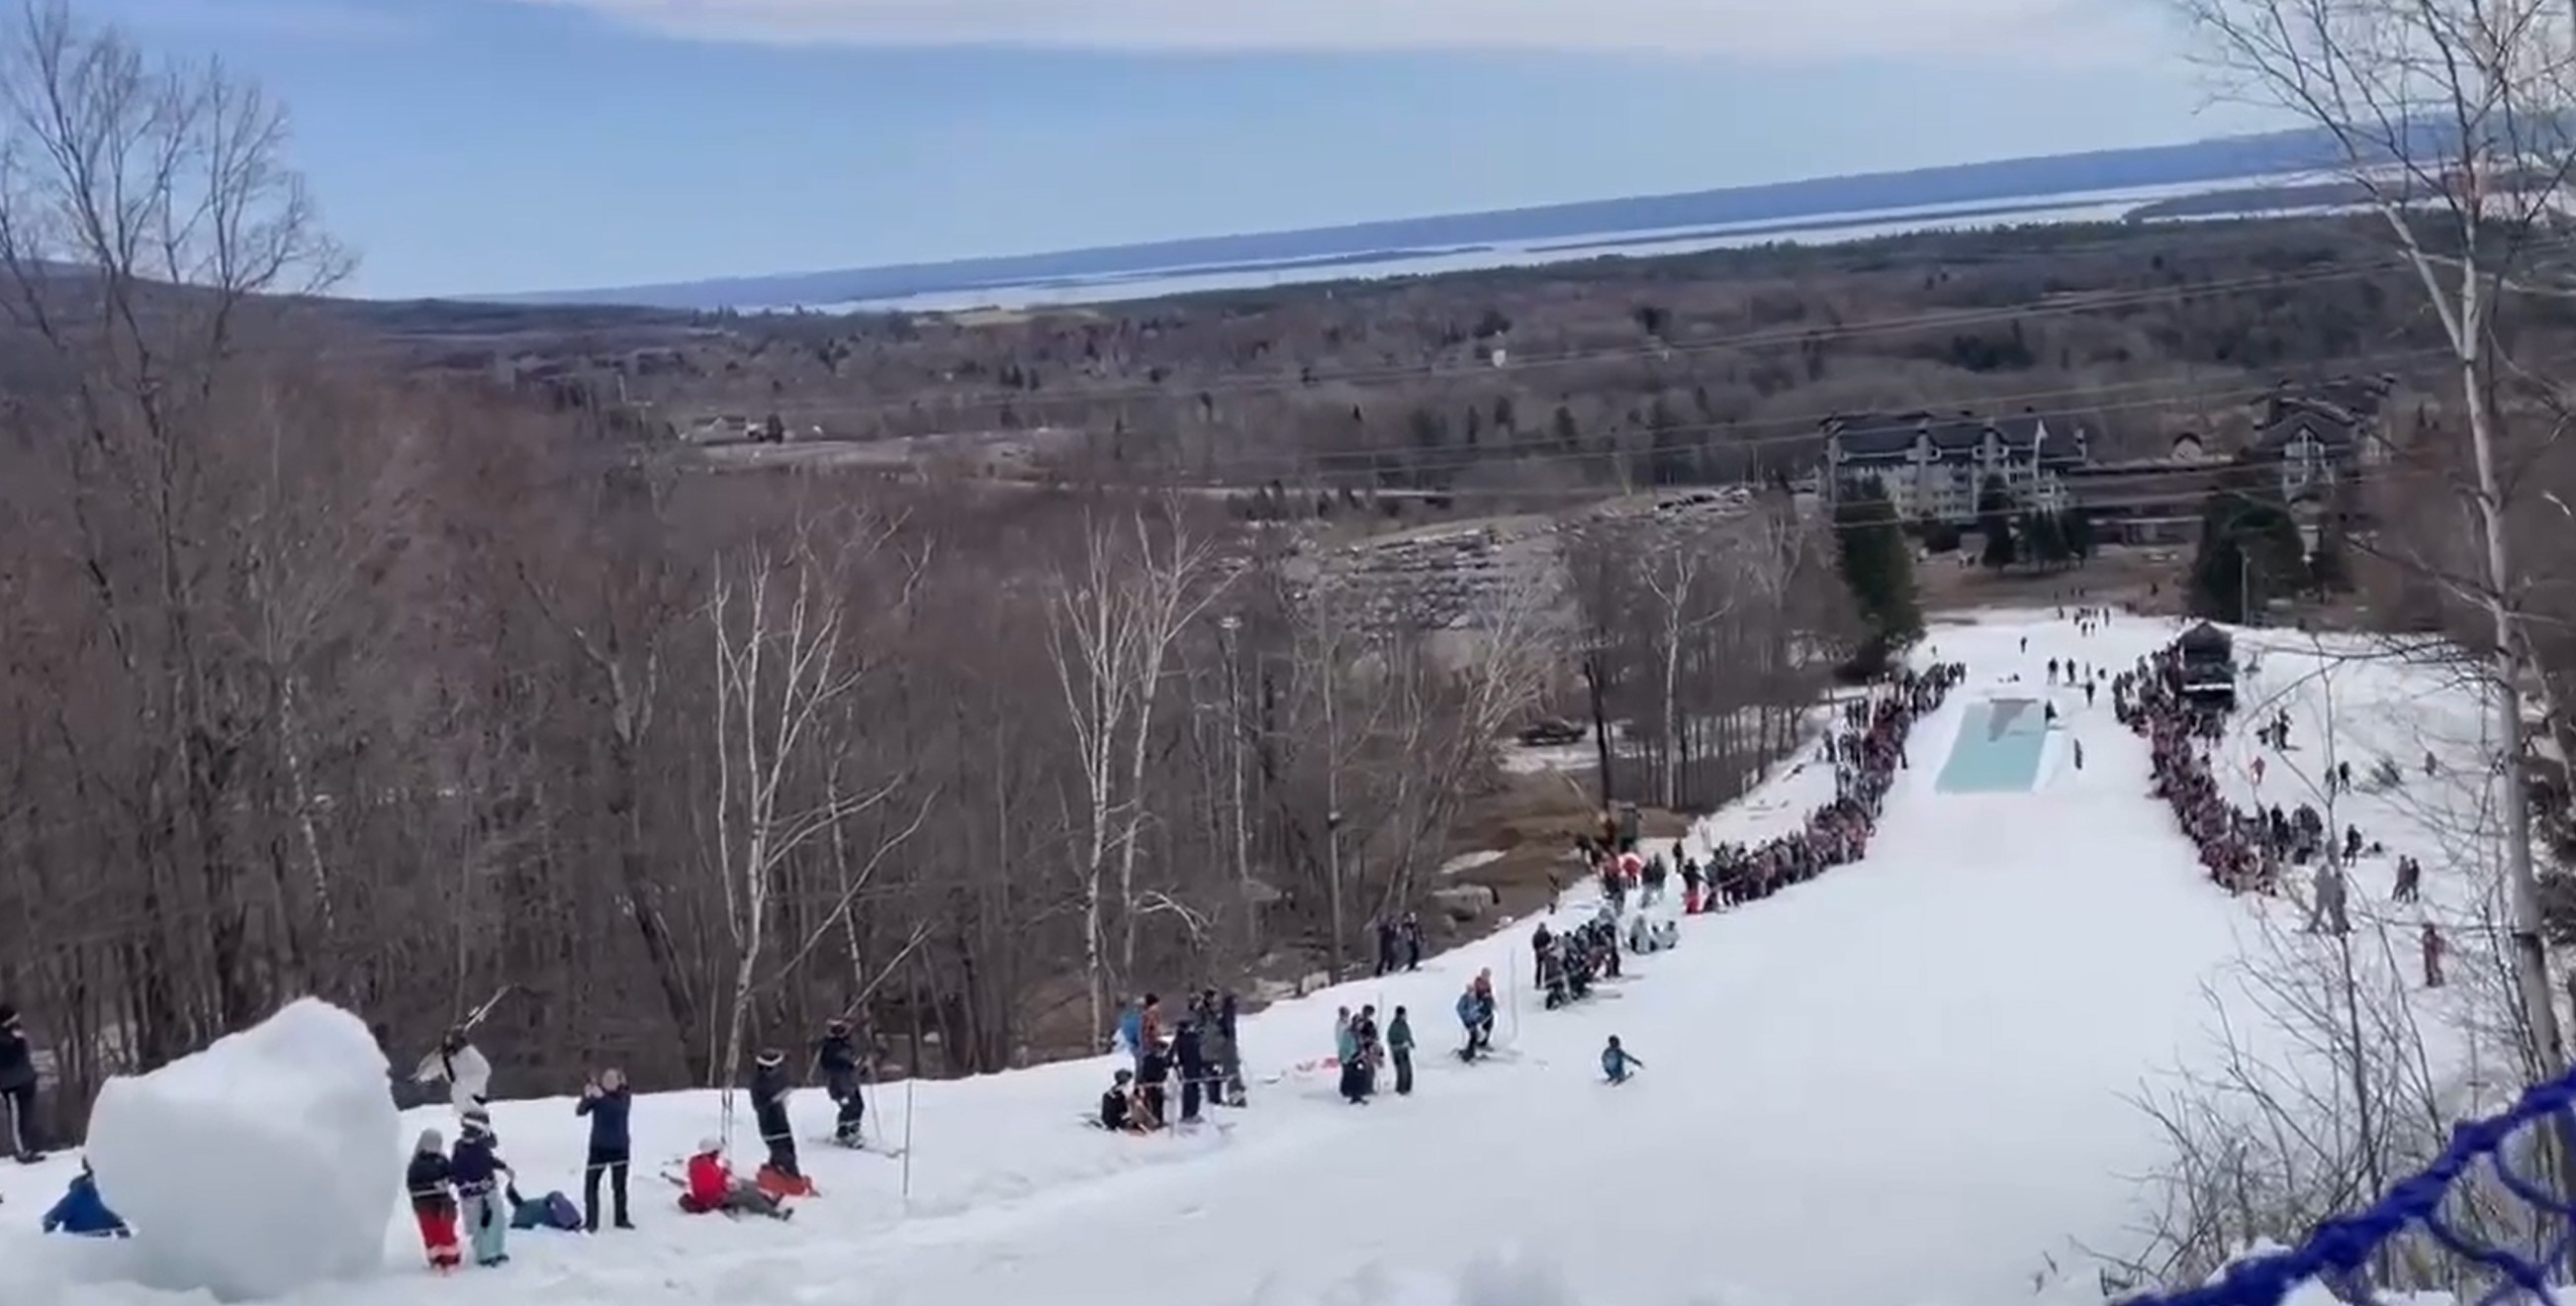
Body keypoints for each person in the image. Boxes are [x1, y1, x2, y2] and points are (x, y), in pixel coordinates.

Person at [450, 1108, 513, 1267]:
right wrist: (463, 1184)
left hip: (489, 1188)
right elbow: (456, 1171)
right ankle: (484, 1254)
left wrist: (504, 1167)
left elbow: (489, 1158)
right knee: (479, 1224)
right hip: (472, 1192)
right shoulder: (460, 1148)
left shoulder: (481, 1145)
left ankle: (497, 1251)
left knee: (497, 1220)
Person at [575, 1067, 633, 1232]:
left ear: (619, 1081)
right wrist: (586, 1097)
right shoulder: (598, 1096)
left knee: (619, 1186)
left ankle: (621, 1219)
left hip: (619, 1148)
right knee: (591, 1186)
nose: (608, 1083)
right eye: (605, 1079)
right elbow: (580, 1112)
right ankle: (591, 1222)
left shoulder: (624, 1096)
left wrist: (602, 1098)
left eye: (612, 1080)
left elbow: (618, 1111)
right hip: (598, 1148)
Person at [680, 1139, 791, 1221]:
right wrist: (726, 1175)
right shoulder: (706, 1166)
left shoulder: (698, 1161)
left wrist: (726, 1175)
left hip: (712, 1194)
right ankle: (775, 1215)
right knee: (748, 1196)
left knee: (747, 1184)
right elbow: (713, 1184)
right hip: (712, 1199)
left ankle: (767, 1202)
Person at [405, 1129, 462, 1270]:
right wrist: (432, 1186)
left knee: (446, 1228)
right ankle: (436, 1258)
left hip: (443, 1201)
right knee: (431, 1230)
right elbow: (412, 1185)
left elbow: (452, 1174)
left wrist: (449, 1180)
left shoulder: (441, 1160)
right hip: (424, 1203)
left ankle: (451, 1257)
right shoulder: (417, 1164)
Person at [749, 1048, 802, 1190]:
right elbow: (760, 1104)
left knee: (788, 1149)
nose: (774, 1070)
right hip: (769, 1124)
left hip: (780, 1121)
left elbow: (788, 1076)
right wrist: (775, 1099)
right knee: (782, 1153)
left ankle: (777, 1173)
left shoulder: (777, 1076)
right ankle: (792, 1178)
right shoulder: (759, 1082)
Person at [414, 1026, 492, 1117]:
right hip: (474, 1081)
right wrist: (421, 1077)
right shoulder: (457, 1055)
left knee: (458, 1092)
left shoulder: (459, 1055)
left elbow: (435, 1068)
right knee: (460, 1093)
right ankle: (472, 1112)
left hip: (471, 1079)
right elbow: (434, 1068)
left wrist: (421, 1077)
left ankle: (473, 1113)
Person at [41, 1159, 127, 1237]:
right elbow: (52, 1218)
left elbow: (120, 1227)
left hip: (102, 1249)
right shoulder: (78, 1195)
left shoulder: (109, 1197)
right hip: (77, 1247)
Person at [814, 1019, 867, 1146]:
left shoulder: (846, 1044)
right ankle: (844, 1133)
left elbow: (851, 1062)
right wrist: (846, 1062)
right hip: (838, 1084)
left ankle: (853, 1130)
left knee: (858, 1105)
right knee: (849, 1107)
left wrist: (860, 1068)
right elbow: (829, 1064)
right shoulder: (829, 1046)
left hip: (850, 1083)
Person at [0, 1005, 38, 1163]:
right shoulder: (5, 1040)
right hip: (12, 1085)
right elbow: (8, 1060)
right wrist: (17, 1043)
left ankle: (27, 1147)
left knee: (26, 1117)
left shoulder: (16, 1036)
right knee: (17, 1119)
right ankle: (21, 1150)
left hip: (25, 1081)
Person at [1387, 1006, 1416, 1095]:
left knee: (1408, 1069)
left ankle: (1408, 1088)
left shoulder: (1404, 1024)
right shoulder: (1394, 1026)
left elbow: (1407, 1034)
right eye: (1403, 1014)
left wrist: (1411, 1043)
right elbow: (1391, 1038)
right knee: (1401, 1070)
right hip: (1398, 1051)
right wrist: (1399, 1044)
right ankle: (1401, 1089)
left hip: (1405, 1050)